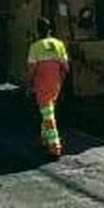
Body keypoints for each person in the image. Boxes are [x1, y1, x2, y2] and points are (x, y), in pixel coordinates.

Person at [27, 18, 69, 159]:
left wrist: (29, 83)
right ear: (50, 29)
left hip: (42, 84)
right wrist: (60, 80)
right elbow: (65, 67)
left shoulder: (35, 47)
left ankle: (54, 146)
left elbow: (32, 69)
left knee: (48, 115)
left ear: (38, 31)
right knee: (48, 111)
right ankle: (44, 139)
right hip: (55, 84)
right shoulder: (59, 44)